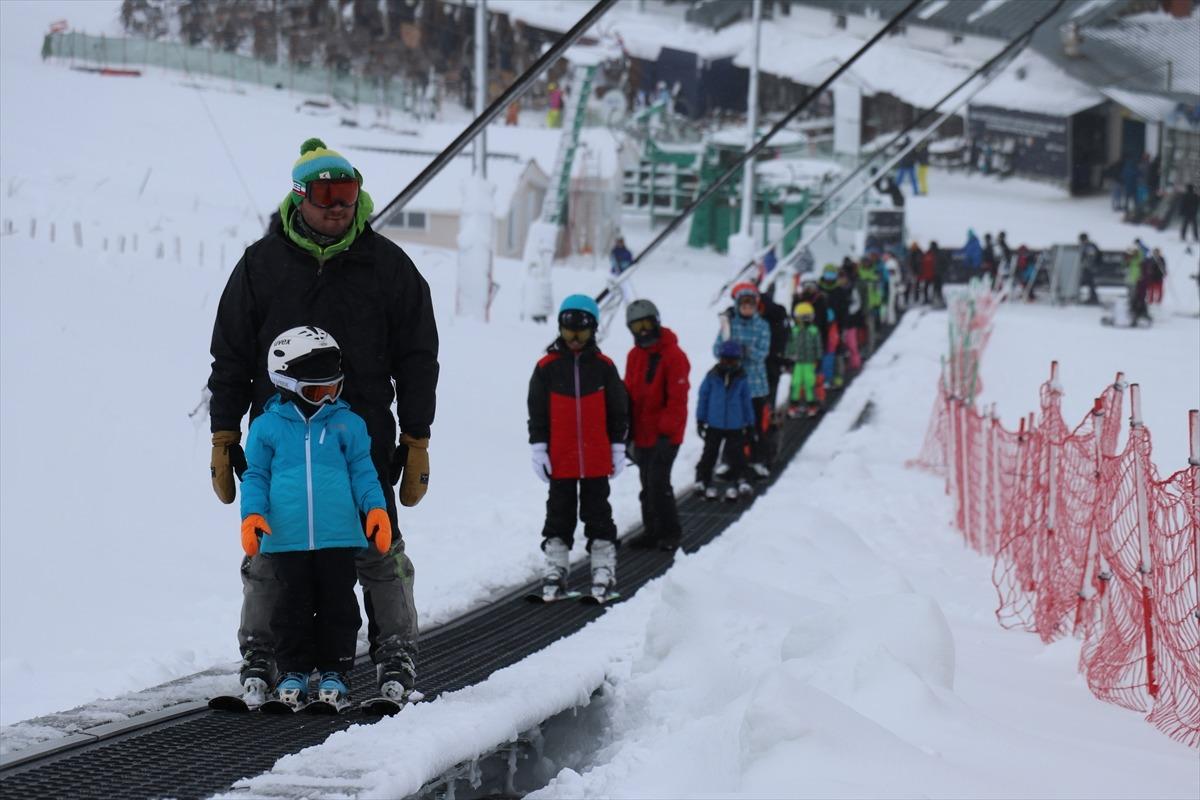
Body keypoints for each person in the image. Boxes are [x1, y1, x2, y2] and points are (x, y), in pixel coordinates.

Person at [208, 138, 438, 705]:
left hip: (359, 437)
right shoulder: (261, 266)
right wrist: (224, 433)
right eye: (325, 193)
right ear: (298, 198)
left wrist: (416, 436)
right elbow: (231, 355)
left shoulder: (386, 266)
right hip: (278, 440)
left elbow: (417, 355)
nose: (338, 205)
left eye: (348, 192)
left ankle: (395, 653)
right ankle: (262, 654)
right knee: (268, 552)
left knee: (378, 549)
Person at [240, 326, 391, 708]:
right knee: (290, 607)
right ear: (285, 382)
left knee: (339, 606)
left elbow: (363, 472)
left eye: (333, 389)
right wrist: (252, 515)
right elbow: (255, 475)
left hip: (339, 536)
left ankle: (335, 672)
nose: (326, 399)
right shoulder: (266, 427)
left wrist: (376, 510)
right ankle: (292, 671)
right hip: (286, 536)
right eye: (315, 391)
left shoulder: (348, 424)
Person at [529, 295, 629, 601]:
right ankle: (556, 567)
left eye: (581, 332)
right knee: (558, 513)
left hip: (596, 457)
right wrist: (539, 446)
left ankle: (603, 568)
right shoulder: (547, 367)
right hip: (560, 457)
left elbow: (618, 409)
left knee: (598, 513)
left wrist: (617, 446)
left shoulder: (604, 368)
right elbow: (538, 410)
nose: (574, 339)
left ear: (594, 331)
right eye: (569, 331)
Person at [623, 300, 690, 552]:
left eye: (646, 324)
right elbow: (629, 391)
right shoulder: (635, 355)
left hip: (665, 435)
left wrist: (666, 432)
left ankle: (670, 531)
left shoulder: (674, 355)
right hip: (641, 434)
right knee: (647, 485)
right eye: (636, 326)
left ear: (656, 322)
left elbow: (677, 398)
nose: (643, 331)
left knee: (658, 483)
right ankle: (652, 531)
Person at [717, 283, 772, 477]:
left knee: (755, 425)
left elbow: (762, 354)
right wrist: (727, 351)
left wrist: (744, 350)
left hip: (756, 386)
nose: (747, 309)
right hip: (733, 385)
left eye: (751, 305)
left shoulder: (762, 326)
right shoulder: (730, 325)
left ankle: (758, 460)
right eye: (744, 305)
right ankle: (729, 460)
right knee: (732, 426)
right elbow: (717, 349)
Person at [695, 341, 755, 502]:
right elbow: (704, 397)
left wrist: (750, 423)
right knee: (709, 453)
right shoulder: (712, 376)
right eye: (725, 360)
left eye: (732, 361)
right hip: (714, 423)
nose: (728, 364)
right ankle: (702, 479)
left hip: (735, 424)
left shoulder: (741, 378)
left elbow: (746, 402)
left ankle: (741, 479)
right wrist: (700, 419)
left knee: (737, 455)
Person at [786, 302, 823, 418]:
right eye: (802, 318)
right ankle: (793, 405)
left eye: (806, 317)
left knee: (809, 383)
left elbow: (818, 345)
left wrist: (818, 358)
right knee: (796, 383)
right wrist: (788, 357)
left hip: (809, 362)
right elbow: (789, 345)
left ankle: (812, 405)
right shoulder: (794, 331)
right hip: (797, 363)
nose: (804, 321)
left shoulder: (814, 330)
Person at [609, 236, 636, 306]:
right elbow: (612, 261)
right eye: (618, 242)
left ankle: (627, 301)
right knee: (614, 286)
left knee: (625, 287)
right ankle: (612, 299)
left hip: (624, 273)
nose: (620, 244)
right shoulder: (614, 251)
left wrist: (625, 265)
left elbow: (630, 261)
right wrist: (616, 267)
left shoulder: (627, 252)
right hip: (615, 273)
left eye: (621, 242)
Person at [1078, 232, 1101, 304]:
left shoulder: (1089, 246)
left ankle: (1093, 298)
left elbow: (1090, 257)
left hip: (1090, 268)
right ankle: (1092, 298)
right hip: (1088, 268)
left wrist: (1086, 264)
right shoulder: (1086, 246)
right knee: (1090, 283)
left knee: (1090, 283)